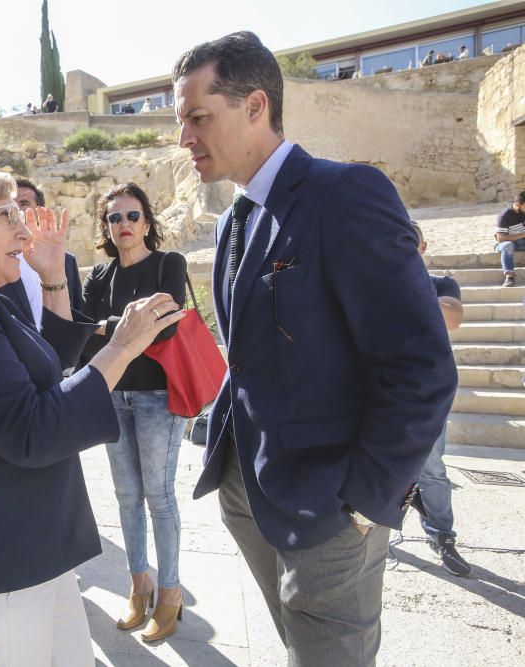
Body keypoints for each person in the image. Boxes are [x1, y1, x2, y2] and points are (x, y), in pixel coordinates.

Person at [173, 32, 457, 666]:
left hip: (330, 505)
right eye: (181, 121)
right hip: (247, 491)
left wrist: (365, 502)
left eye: (198, 118)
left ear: (254, 106)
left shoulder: (345, 194)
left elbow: (423, 368)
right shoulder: (232, 222)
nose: (184, 138)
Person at [0, 151, 184, 666]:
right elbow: (31, 429)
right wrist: (122, 347)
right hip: (1, 553)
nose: (23, 231)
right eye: (6, 215)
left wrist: (53, 279)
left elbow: (48, 367)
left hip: (33, 542)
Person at [78, 182, 189, 642]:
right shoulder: (98, 278)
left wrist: (110, 329)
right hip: (113, 397)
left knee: (159, 497)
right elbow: (84, 336)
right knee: (126, 498)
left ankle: (169, 592)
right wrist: (126, 325)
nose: (123, 225)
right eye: (114, 218)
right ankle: (138, 584)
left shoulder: (169, 264)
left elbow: (164, 330)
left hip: (157, 398)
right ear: (106, 227)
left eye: (132, 215)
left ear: (147, 221)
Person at [408, 222, 471, 577]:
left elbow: (453, 316)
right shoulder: (373, 285)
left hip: (426, 393)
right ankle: (370, 536)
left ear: (423, 247)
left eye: (409, 242)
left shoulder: (440, 285)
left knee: (431, 470)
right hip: (378, 392)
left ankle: (441, 536)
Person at [0, 178, 83, 327]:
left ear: (40, 211)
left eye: (24, 203)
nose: (16, 210)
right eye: (11, 205)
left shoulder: (66, 260)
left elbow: (78, 317)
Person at [494, 191, 525, 286]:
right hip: (505, 243)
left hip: (522, 242)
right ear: (517, 205)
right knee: (508, 245)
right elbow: (500, 238)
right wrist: (523, 234)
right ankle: (509, 277)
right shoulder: (505, 215)